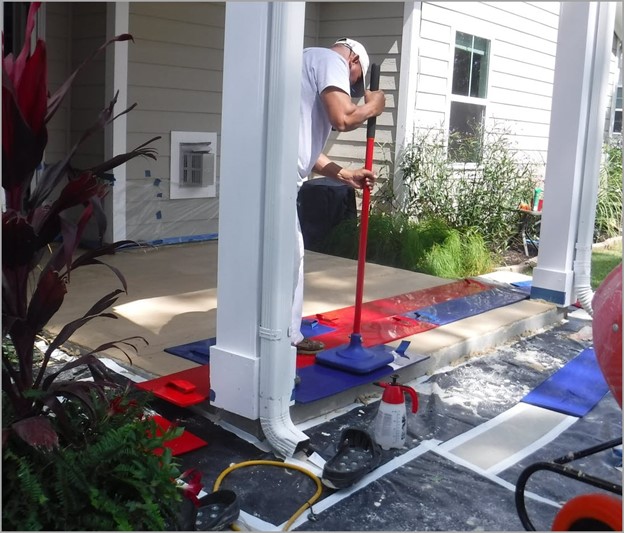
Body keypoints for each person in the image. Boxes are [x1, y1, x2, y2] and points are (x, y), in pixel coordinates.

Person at [292, 37, 386, 354]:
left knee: (282, 258)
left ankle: (280, 333)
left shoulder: (301, 64)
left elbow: (303, 148)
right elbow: (343, 118)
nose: (350, 86)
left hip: (268, 174)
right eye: (354, 82)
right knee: (289, 260)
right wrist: (374, 106)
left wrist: (344, 174)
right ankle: (285, 338)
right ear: (354, 62)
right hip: (277, 180)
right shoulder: (331, 60)